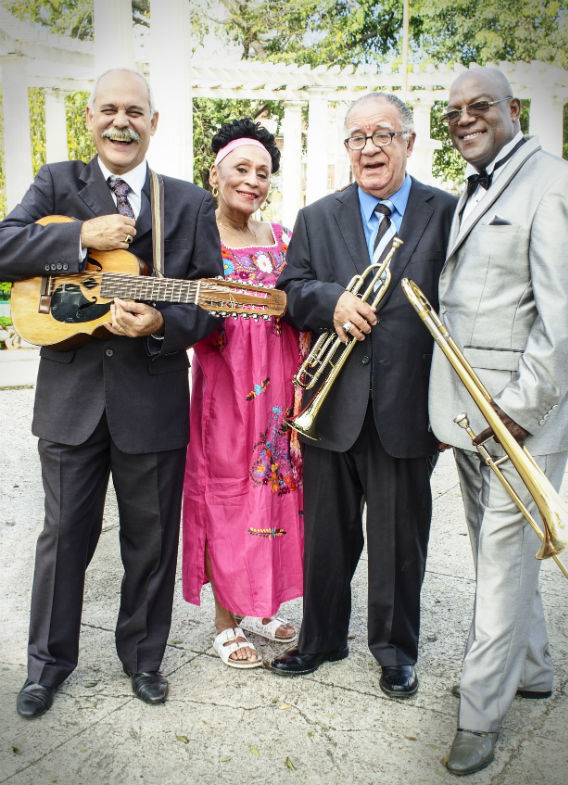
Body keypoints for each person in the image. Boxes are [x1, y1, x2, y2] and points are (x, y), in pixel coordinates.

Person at [0, 69, 223, 717]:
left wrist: (162, 321)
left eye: (135, 111)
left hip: (151, 400)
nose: (120, 122)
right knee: (64, 534)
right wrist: (78, 238)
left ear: (155, 123)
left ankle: (143, 657)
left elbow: (210, 304)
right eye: (108, 110)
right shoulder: (57, 184)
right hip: (70, 400)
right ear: (90, 119)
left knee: (151, 541)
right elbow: (5, 247)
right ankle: (48, 664)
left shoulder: (187, 203)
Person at [270, 93, 457, 696]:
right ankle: (321, 638)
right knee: (326, 534)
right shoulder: (317, 216)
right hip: (332, 405)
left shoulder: (448, 212)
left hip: (408, 407)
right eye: (357, 137)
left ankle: (395, 650)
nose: (369, 147)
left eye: (382, 134)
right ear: (346, 147)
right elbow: (291, 290)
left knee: (401, 540)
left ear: (409, 141)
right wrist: (332, 301)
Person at [428, 66, 568, 776]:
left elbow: (562, 317)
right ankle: (536, 666)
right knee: (499, 547)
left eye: (479, 106)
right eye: (452, 111)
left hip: (517, 416)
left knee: (503, 557)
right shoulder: (477, 184)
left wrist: (517, 412)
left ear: (513, 109)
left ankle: (479, 713)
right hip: (467, 413)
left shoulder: (555, 181)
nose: (462, 118)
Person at [181, 119, 305, 668]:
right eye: (241, 168)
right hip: (227, 391)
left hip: (282, 387)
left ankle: (263, 601)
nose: (252, 180)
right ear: (216, 173)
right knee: (227, 494)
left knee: (277, 491)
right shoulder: (196, 238)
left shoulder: (282, 238)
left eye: (262, 172)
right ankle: (226, 618)